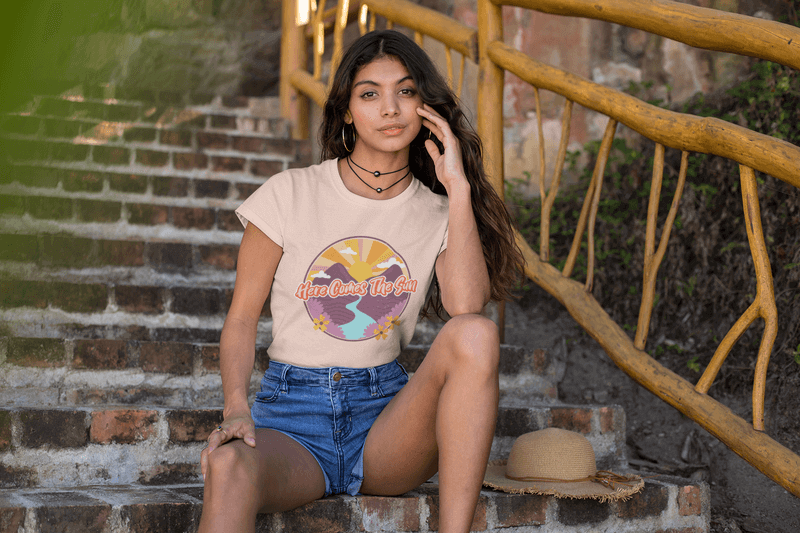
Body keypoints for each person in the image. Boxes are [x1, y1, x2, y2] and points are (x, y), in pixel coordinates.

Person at [198, 29, 524, 533]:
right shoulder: (290, 194)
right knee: (227, 466)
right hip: (291, 419)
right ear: (347, 111)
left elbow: (466, 306)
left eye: (406, 91)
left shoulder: (440, 211)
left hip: (385, 422)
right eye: (370, 94)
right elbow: (241, 318)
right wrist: (237, 409)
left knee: (476, 333)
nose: (390, 108)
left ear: (425, 107)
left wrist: (457, 188)